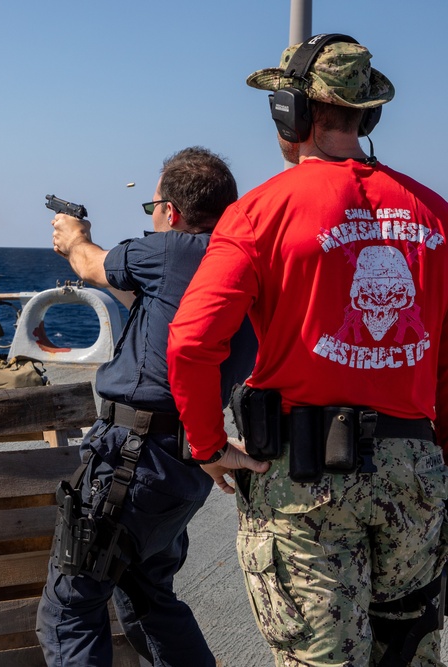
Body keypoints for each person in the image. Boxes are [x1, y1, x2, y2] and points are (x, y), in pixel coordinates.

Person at [166, 35, 448, 666]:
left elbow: (191, 341)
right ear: (367, 114)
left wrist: (209, 445)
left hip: (305, 482)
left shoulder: (261, 211)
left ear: (289, 113)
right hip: (416, 475)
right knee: (409, 653)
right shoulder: (436, 214)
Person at [36, 146, 258, 666]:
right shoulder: (241, 265)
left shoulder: (172, 251)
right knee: (148, 601)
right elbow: (163, 308)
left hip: (131, 460)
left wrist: (73, 237)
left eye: (152, 207)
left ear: (172, 213)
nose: (152, 218)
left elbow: (92, 264)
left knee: (68, 610)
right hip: (183, 465)